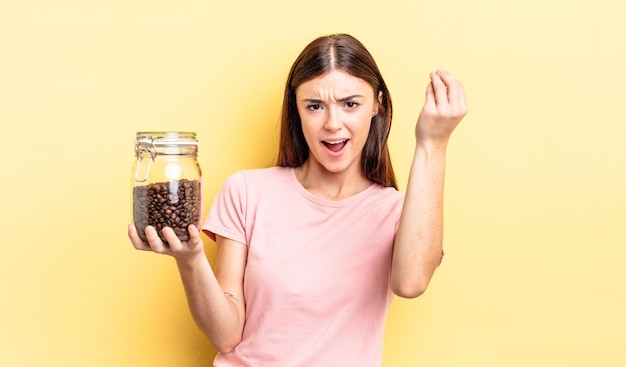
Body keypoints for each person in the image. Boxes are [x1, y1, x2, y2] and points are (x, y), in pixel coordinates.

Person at [128, 33, 467, 366]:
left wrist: (432, 143)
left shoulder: (398, 212)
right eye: (315, 106)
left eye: (350, 104)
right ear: (297, 110)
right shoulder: (247, 191)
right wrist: (190, 259)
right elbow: (226, 336)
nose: (333, 124)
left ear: (377, 104)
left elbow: (410, 284)